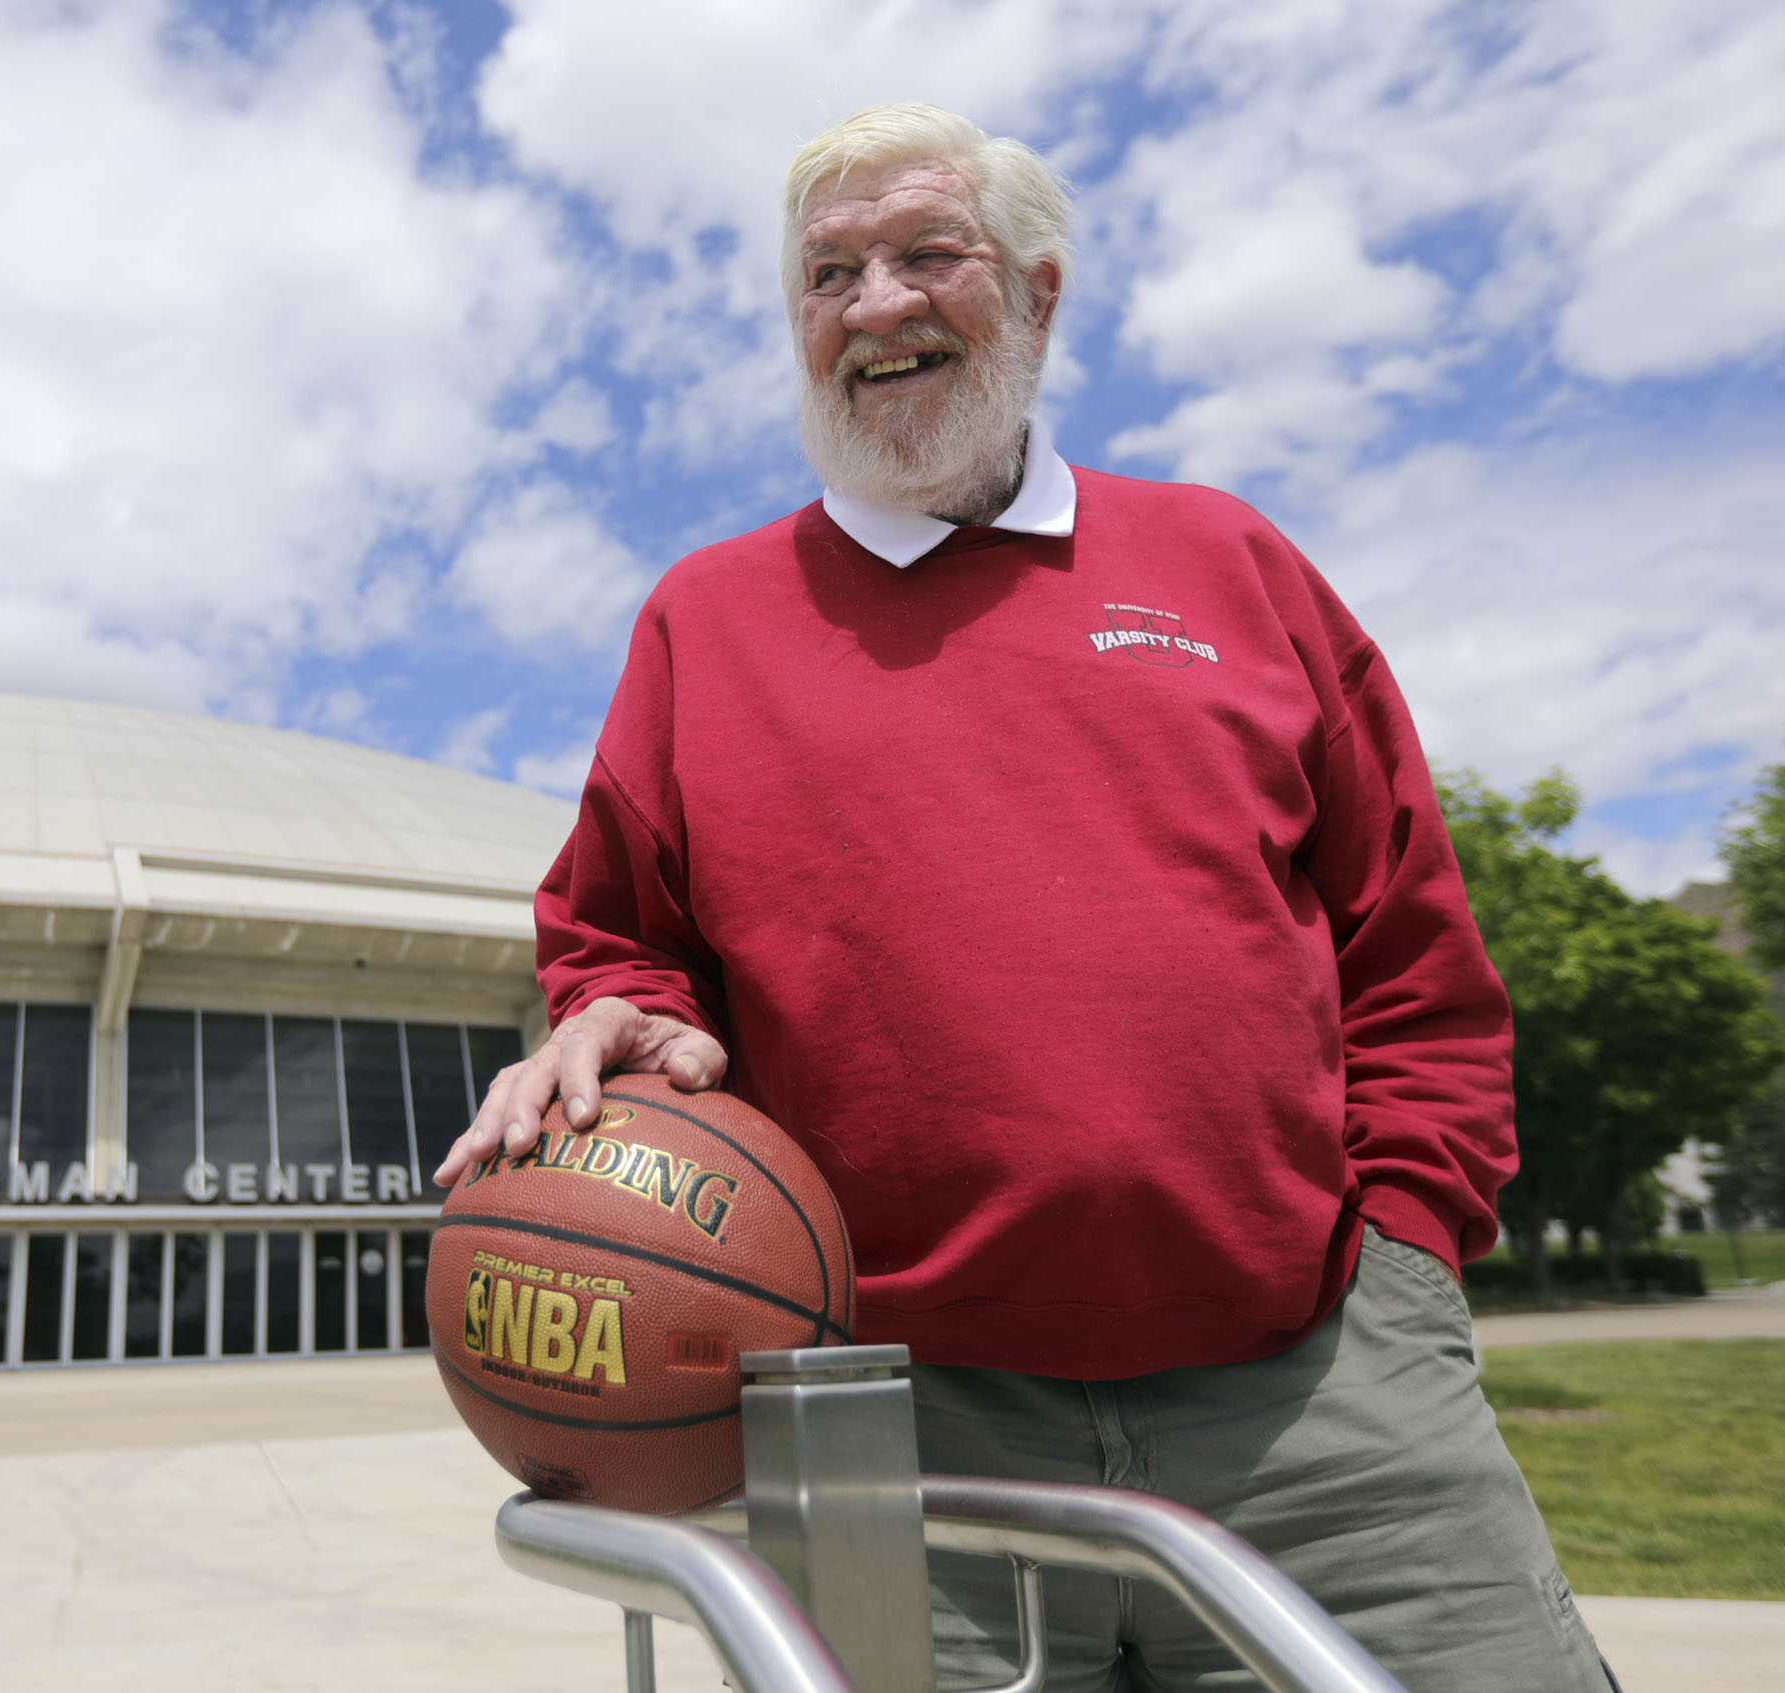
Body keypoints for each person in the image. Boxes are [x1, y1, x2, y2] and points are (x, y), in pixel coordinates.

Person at [435, 103, 1612, 1692]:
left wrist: (1404, 1252)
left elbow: (1410, 947)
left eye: (931, 254)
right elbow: (619, 938)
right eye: (829, 273)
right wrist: (625, 1020)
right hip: (897, 1430)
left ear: (1041, 295)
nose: (875, 305)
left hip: (1321, 1392)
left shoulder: (1230, 559)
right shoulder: (702, 622)